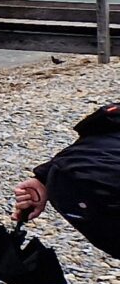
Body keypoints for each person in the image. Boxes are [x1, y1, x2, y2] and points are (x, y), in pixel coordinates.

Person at [13, 101, 120, 257]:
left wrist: (47, 173)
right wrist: (45, 176)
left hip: (74, 175)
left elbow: (107, 125)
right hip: (92, 186)